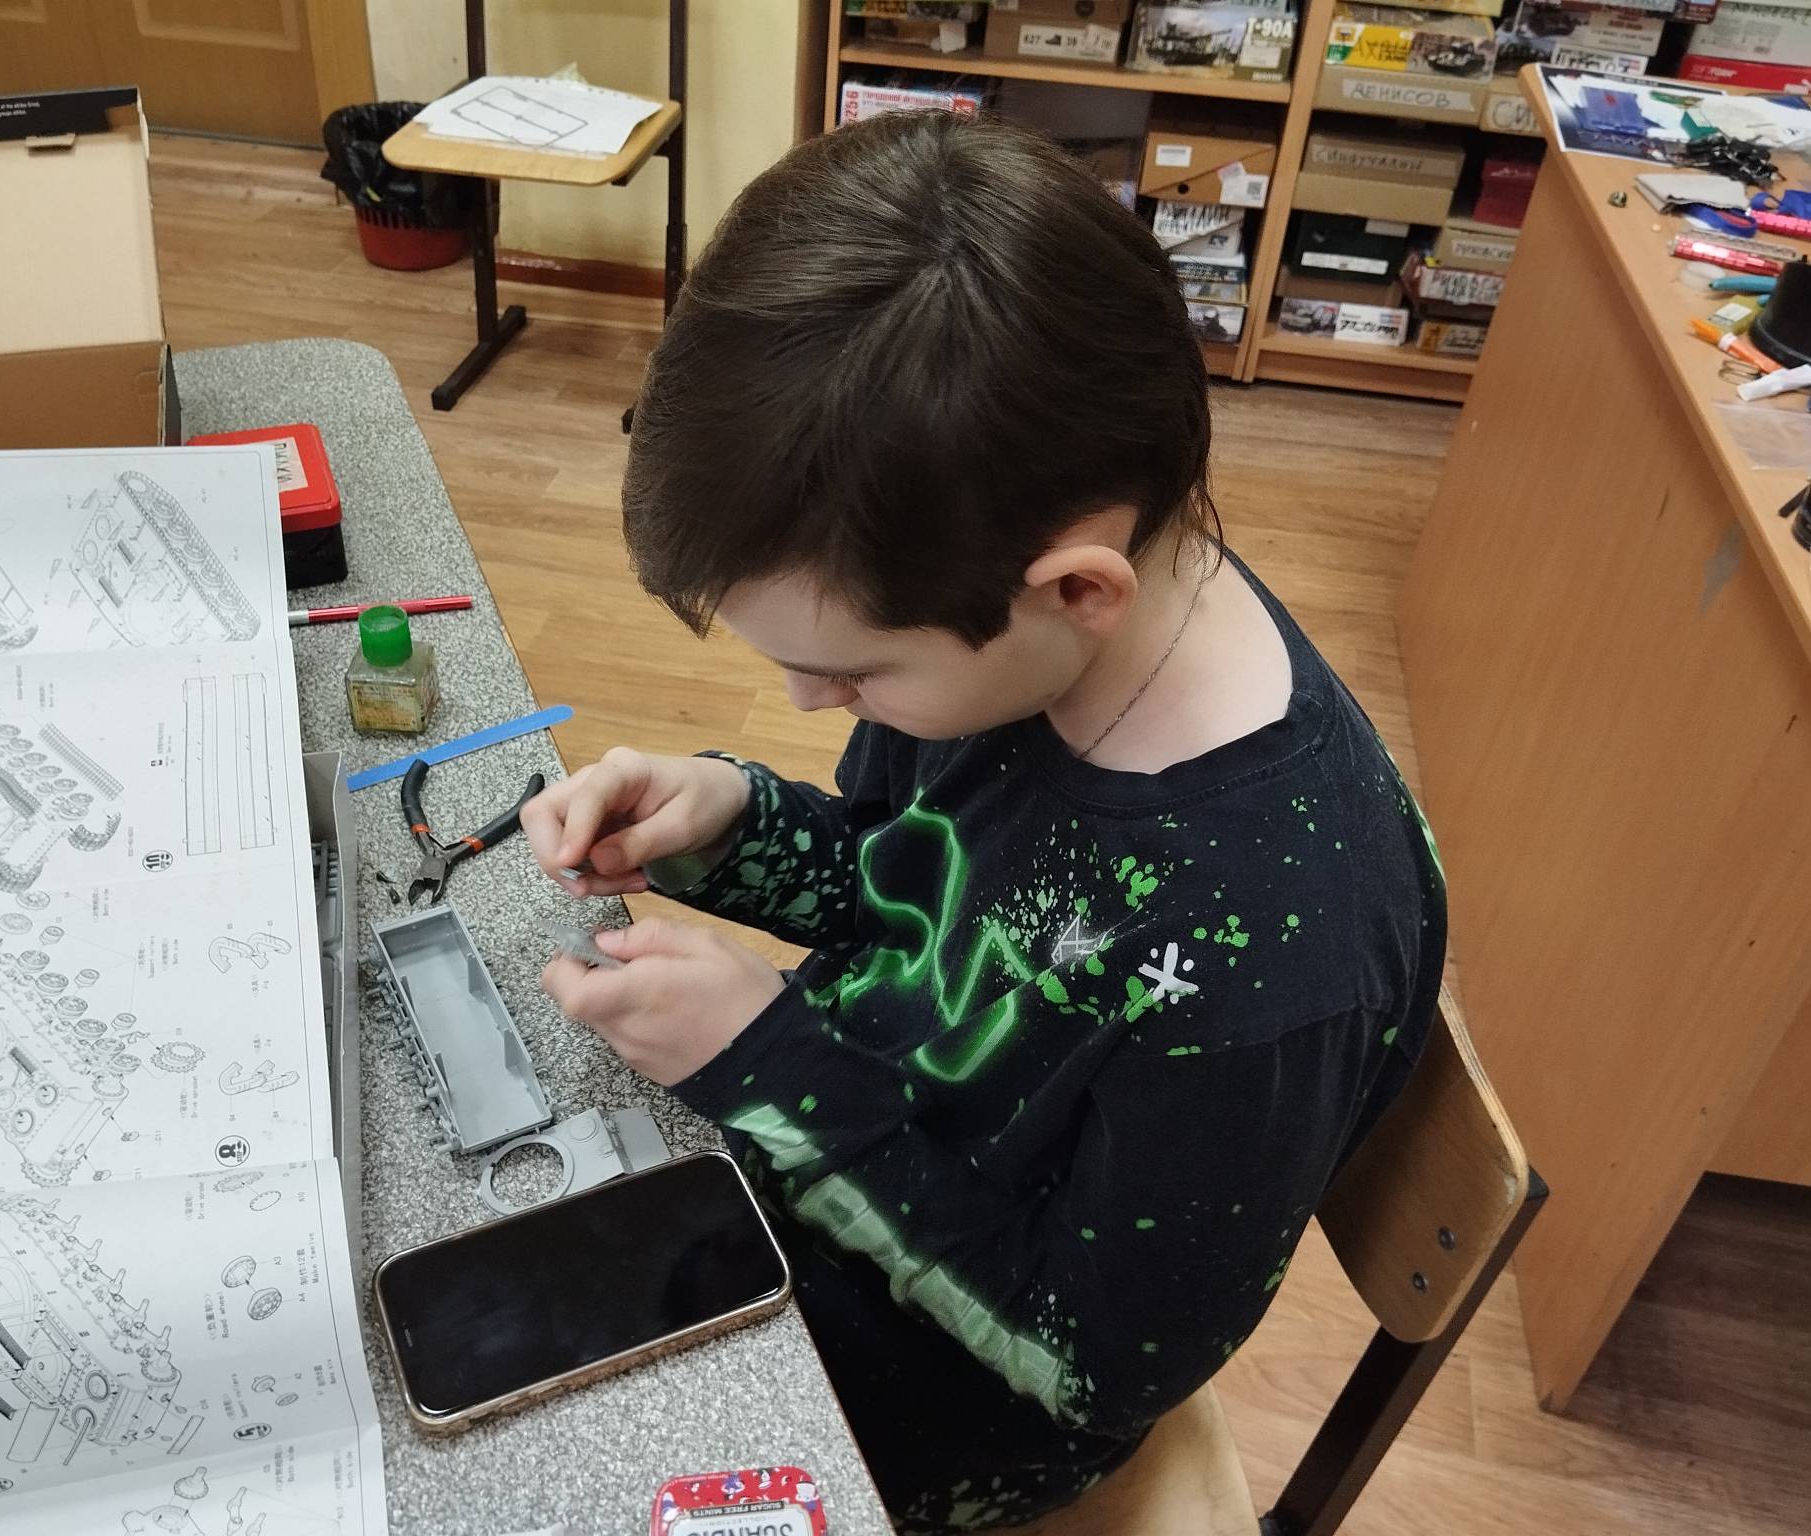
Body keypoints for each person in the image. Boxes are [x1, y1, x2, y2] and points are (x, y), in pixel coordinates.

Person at [521, 110, 1443, 1533]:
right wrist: (731, 823)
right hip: (835, 1161)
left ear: (1077, 588)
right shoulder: (1023, 609)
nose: (810, 698)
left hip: (957, 1378)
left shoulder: (1272, 953)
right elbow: (914, 893)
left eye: (853, 670)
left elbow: (1084, 1370)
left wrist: (770, 1067)